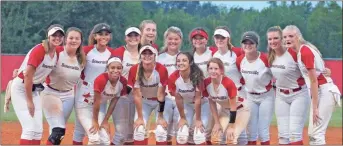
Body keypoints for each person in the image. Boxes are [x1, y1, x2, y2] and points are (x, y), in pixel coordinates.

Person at [283, 25, 341, 145]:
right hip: (320, 91)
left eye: (291, 36)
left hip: (324, 91)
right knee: (313, 134)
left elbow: (314, 81)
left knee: (316, 135)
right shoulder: (300, 51)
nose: (287, 39)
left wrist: (314, 108)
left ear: (298, 37)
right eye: (285, 37)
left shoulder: (305, 51)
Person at [10, 24, 64, 145]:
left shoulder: (57, 53)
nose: (57, 38)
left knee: (38, 131)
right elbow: (28, 76)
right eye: (54, 35)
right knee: (29, 129)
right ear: (48, 36)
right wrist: (29, 101)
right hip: (21, 88)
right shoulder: (40, 50)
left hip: (34, 90)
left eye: (60, 35)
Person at [41, 27, 86, 145]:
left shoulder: (81, 59)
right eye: (71, 38)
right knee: (58, 131)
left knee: (58, 130)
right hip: (51, 93)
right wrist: (21, 71)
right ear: (65, 39)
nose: (74, 41)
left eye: (77, 38)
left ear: (81, 41)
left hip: (68, 95)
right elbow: (39, 63)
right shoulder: (57, 52)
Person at [72, 23, 114, 145]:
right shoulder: (86, 50)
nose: (103, 37)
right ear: (95, 36)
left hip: (100, 97)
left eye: (106, 34)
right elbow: (65, 57)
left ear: (110, 37)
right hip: (84, 93)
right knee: (82, 132)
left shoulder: (112, 53)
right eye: (100, 34)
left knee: (101, 135)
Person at [266, 26, 310, 145]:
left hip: (299, 94)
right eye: (270, 39)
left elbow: (312, 68)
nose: (273, 41)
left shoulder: (294, 52)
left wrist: (325, 71)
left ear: (282, 39)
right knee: (283, 135)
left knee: (294, 133)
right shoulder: (270, 57)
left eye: (276, 38)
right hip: (280, 96)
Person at [236, 31, 274, 145]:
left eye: (251, 43)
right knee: (251, 130)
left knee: (263, 130)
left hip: (266, 96)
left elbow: (278, 74)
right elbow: (241, 77)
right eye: (245, 42)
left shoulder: (265, 59)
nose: (248, 45)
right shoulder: (240, 60)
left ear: (256, 44)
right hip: (250, 97)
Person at [128, 45, 171, 145]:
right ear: (140, 55)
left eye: (150, 53)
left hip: (159, 101)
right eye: (144, 53)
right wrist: (139, 117)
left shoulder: (161, 69)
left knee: (161, 131)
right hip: (144, 101)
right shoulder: (135, 70)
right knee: (139, 130)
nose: (147, 56)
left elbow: (161, 95)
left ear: (155, 55)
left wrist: (160, 116)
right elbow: (137, 95)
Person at [212, 26, 248, 145]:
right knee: (221, 134)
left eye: (222, 37)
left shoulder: (237, 52)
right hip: (222, 97)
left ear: (228, 38)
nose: (219, 40)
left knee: (237, 131)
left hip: (239, 94)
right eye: (217, 37)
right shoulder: (213, 54)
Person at [168, 52, 212, 145]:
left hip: (202, 104)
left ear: (190, 62)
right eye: (178, 61)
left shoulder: (197, 76)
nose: (181, 63)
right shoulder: (173, 77)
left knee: (198, 133)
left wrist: (198, 119)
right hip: (186, 104)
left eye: (184, 60)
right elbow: (178, 99)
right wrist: (183, 118)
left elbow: (197, 99)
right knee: (181, 133)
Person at [203, 58, 250, 145]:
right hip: (225, 111)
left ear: (221, 70)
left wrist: (231, 126)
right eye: (211, 68)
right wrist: (217, 123)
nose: (213, 71)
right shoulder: (206, 83)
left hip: (241, 110)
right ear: (208, 70)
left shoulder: (228, 83)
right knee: (215, 138)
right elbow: (212, 103)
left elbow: (233, 106)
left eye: (216, 69)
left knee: (231, 138)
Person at [111, 26, 142, 145]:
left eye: (136, 36)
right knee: (121, 132)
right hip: (122, 95)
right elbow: (110, 72)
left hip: (139, 96)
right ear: (125, 38)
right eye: (130, 36)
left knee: (133, 132)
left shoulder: (145, 52)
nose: (133, 38)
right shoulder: (119, 52)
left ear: (140, 38)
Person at [86, 57, 128, 144]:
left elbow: (113, 102)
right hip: (86, 105)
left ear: (122, 69)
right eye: (112, 67)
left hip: (100, 106)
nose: (116, 70)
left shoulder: (123, 82)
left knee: (105, 140)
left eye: (118, 68)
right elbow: (96, 102)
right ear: (107, 68)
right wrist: (95, 121)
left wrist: (105, 120)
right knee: (94, 137)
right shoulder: (101, 79)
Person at [157, 26, 182, 144]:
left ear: (180, 40)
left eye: (176, 39)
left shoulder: (184, 57)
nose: (173, 41)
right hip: (165, 98)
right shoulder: (159, 57)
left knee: (180, 131)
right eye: (170, 38)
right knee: (163, 130)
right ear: (166, 39)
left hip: (180, 98)